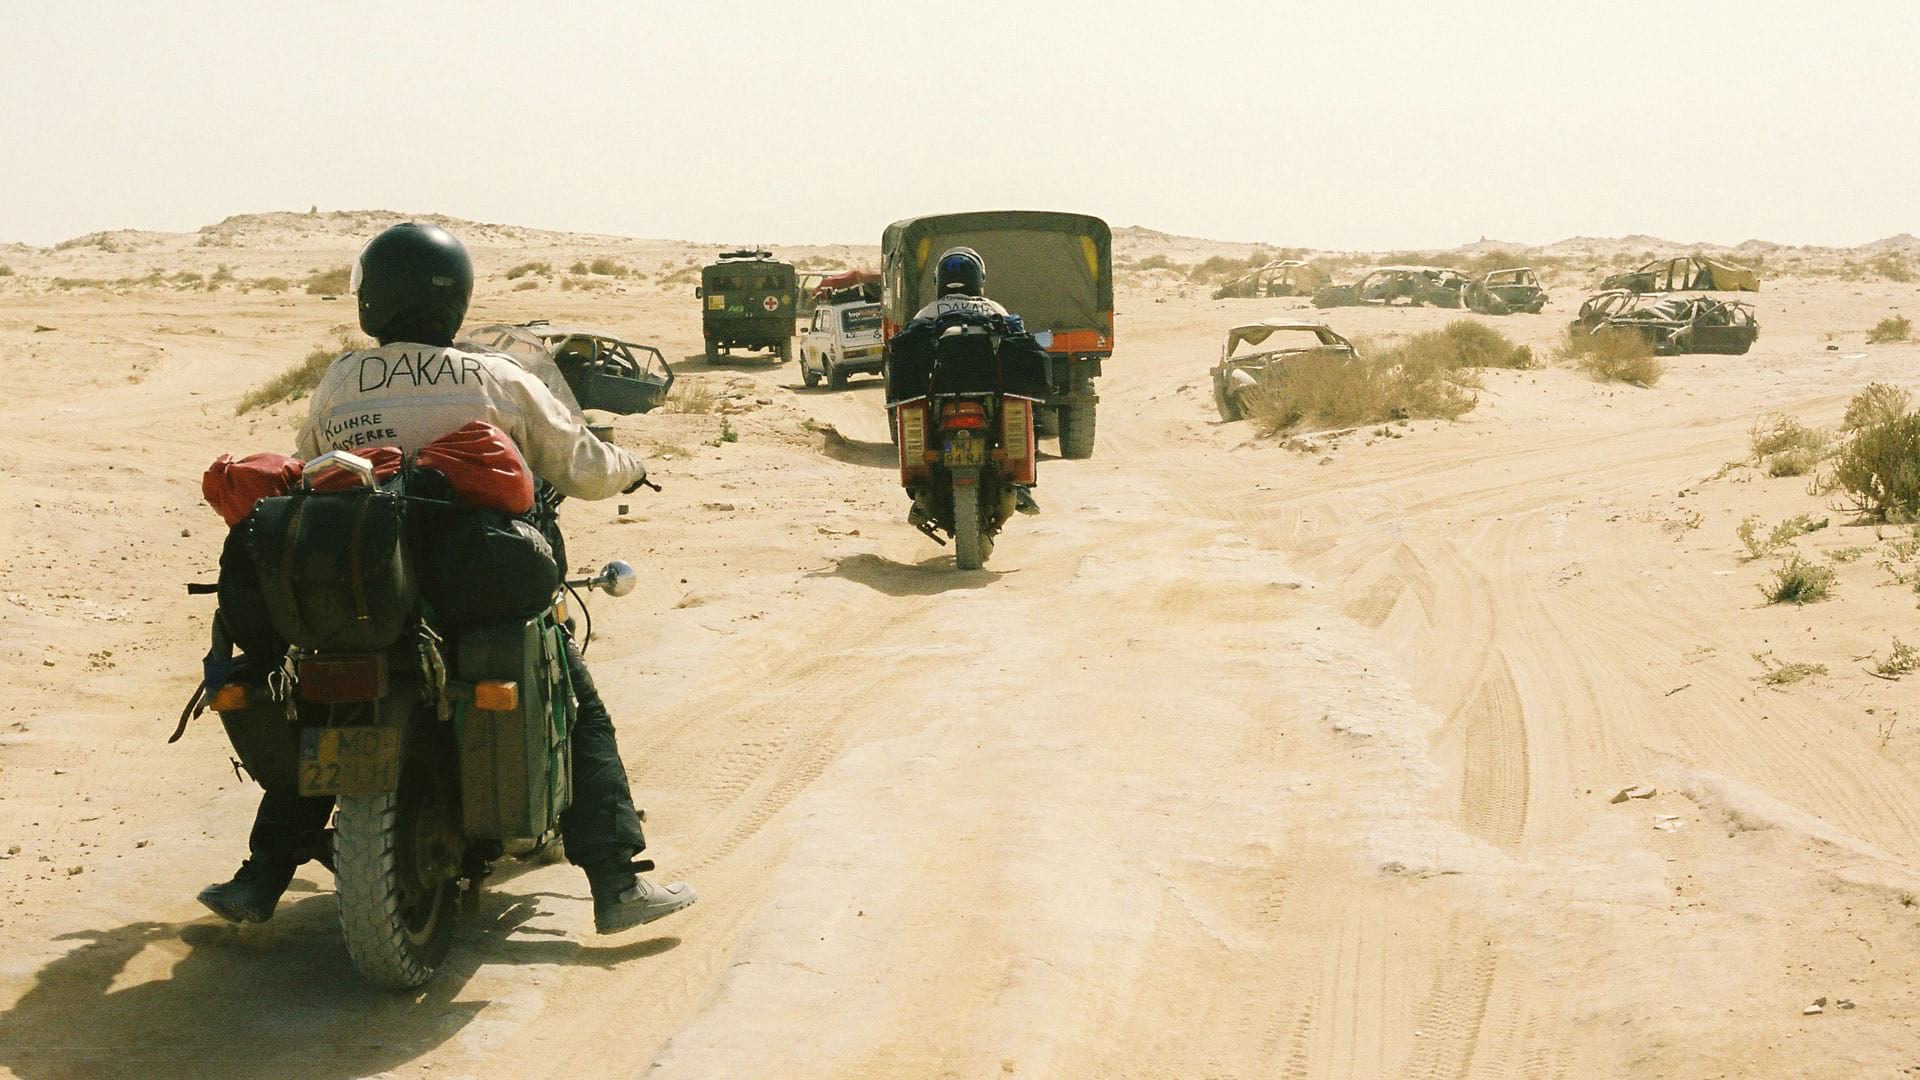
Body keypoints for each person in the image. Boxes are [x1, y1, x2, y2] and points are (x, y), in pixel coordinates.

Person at [197, 222, 695, 935]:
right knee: (576, 701)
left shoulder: (340, 381)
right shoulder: (498, 378)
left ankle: (261, 875)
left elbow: (311, 465)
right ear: (455, 298)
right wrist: (633, 467)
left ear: (373, 298)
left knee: (325, 704)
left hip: (363, 587)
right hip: (472, 587)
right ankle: (617, 883)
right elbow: (582, 466)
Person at [890, 247, 1041, 517]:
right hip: (989, 392)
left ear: (939, 280)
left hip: (941, 395)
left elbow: (907, 347)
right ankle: (1021, 487)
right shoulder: (993, 308)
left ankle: (921, 492)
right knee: (1022, 412)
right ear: (979, 278)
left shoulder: (927, 311)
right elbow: (1017, 340)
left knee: (918, 419)